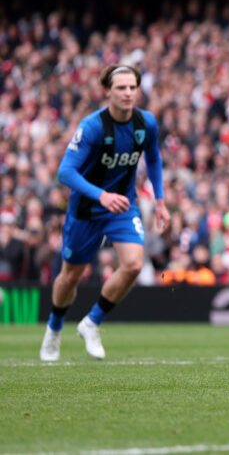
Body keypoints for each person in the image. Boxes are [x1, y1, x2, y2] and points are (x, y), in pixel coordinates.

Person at [40, 65, 169, 361]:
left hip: (122, 205)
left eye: (131, 88)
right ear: (107, 91)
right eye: (120, 88)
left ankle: (92, 322)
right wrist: (101, 195)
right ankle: (54, 328)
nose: (127, 93)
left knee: (135, 265)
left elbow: (154, 158)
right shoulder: (93, 126)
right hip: (87, 209)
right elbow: (65, 172)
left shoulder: (146, 123)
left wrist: (160, 201)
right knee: (70, 277)